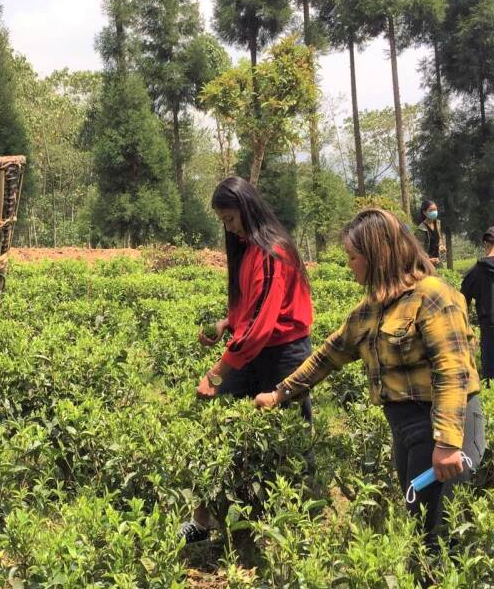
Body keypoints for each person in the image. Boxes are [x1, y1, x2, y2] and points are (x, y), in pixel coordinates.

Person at [255, 209, 487, 547]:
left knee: (438, 535)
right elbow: (327, 356)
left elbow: (452, 370)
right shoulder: (370, 309)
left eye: (353, 257)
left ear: (378, 256)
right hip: (405, 426)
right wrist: (279, 393)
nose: (349, 264)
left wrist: (448, 442)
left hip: (444, 423)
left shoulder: (432, 295)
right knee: (419, 521)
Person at [180, 176, 314, 544]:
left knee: (290, 442)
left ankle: (296, 534)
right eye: (222, 221)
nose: (228, 227)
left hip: (283, 354)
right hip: (252, 350)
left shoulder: (272, 251)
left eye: (229, 219)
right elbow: (250, 312)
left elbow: (260, 325)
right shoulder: (249, 247)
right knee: (219, 428)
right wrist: (227, 323)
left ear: (246, 209)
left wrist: (216, 373)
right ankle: (204, 522)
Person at [461, 226, 494, 387]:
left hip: (489, 330)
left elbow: (461, 301)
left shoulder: (476, 271)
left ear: (485, 244)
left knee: (491, 381)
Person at [414, 199, 445, 267]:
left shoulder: (437, 223)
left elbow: (439, 238)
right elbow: (418, 251)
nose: (434, 212)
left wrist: (441, 246)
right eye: (431, 210)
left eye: (435, 209)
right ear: (424, 212)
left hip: (438, 261)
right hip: (426, 265)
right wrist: (429, 260)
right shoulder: (421, 230)